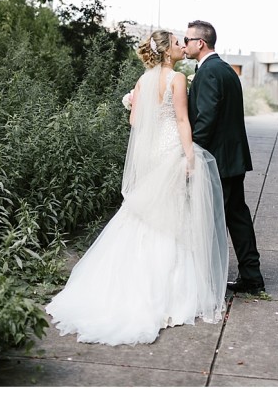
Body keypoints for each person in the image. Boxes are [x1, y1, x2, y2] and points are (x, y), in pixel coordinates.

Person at [45, 30, 228, 346]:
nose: (182, 46)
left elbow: (134, 122)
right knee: (172, 215)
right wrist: (188, 157)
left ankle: (125, 287)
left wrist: (135, 101)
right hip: (170, 151)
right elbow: (183, 121)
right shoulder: (177, 79)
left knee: (144, 214)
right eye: (176, 43)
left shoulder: (143, 81)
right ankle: (168, 295)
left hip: (151, 152)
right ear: (167, 52)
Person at [183, 20, 265, 294]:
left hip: (216, 160)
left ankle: (207, 279)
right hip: (233, 159)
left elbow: (206, 118)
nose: (184, 45)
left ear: (200, 43)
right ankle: (251, 276)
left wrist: (193, 152)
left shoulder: (208, 73)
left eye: (187, 40)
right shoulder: (226, 69)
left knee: (211, 220)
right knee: (237, 216)